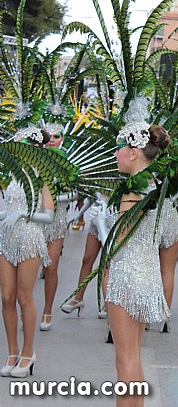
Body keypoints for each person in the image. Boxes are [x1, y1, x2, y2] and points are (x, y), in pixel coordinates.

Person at [91, 119, 171, 406]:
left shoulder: (131, 189)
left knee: (125, 364)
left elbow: (118, 240)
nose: (116, 154)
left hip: (126, 276)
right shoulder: (158, 184)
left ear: (134, 152)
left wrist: (102, 227)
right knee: (133, 359)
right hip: (147, 276)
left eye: (119, 148)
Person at [0, 127, 55, 378]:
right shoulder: (7, 175)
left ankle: (28, 351)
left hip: (29, 239)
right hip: (5, 239)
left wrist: (23, 214)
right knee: (7, 297)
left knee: (24, 296)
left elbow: (49, 214)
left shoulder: (42, 176)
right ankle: (12, 352)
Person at [40, 123, 75, 331]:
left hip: (57, 219)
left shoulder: (69, 162)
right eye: (48, 135)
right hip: (36, 219)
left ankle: (47, 310)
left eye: (57, 135)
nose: (52, 139)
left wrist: (55, 198)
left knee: (51, 267)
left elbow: (75, 193)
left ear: (63, 138)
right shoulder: (35, 159)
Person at [157, 196, 178, 332]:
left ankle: (145, 313)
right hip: (169, 212)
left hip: (150, 211)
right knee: (168, 270)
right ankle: (164, 315)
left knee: (148, 266)